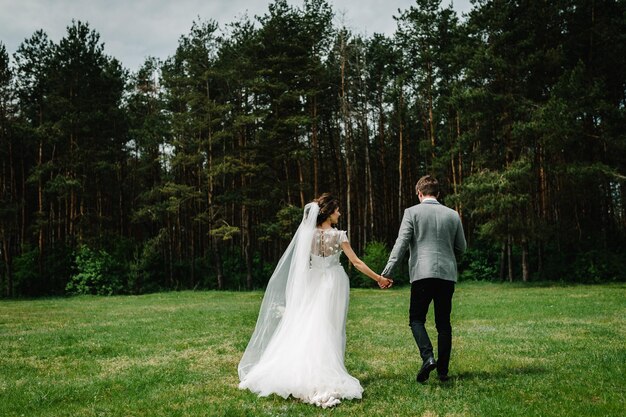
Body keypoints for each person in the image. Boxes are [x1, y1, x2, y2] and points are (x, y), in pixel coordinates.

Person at [238, 193, 393, 408]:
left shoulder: (306, 235)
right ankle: (323, 373)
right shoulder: (339, 236)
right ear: (328, 214)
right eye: (337, 210)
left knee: (310, 323)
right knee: (329, 326)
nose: (339, 213)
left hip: (313, 281)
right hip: (333, 282)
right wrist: (379, 278)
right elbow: (356, 262)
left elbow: (300, 266)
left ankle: (302, 369)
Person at [381, 175, 466, 383]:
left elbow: (401, 244)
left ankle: (427, 357)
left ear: (419, 193)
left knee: (416, 319)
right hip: (446, 275)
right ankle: (443, 372)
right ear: (438, 193)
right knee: (443, 323)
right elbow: (461, 247)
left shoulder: (412, 212)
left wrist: (387, 272)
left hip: (422, 274)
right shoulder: (452, 214)